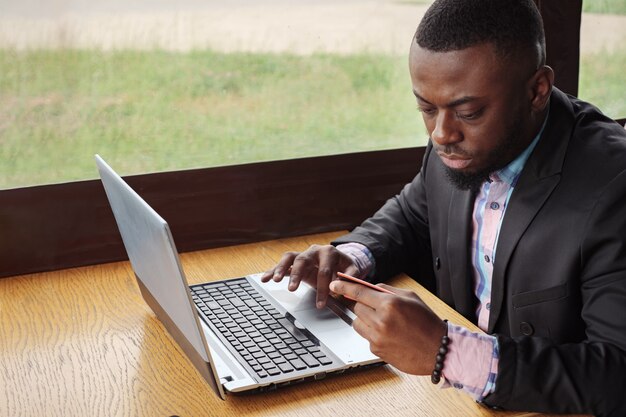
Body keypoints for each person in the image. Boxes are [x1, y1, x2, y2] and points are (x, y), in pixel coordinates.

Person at [261, 0, 626, 415]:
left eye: (468, 111)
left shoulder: (614, 189)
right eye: (426, 108)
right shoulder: (460, 142)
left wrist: (448, 352)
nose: (440, 133)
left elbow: (617, 374)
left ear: (536, 90)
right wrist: (350, 257)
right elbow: (413, 214)